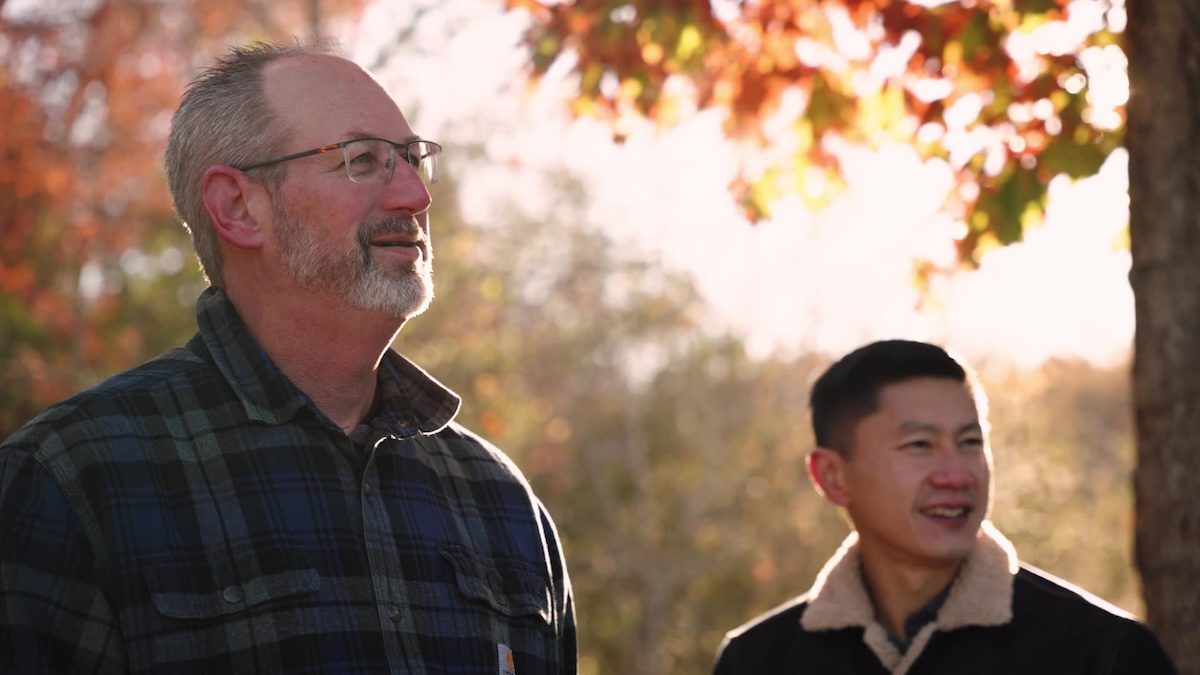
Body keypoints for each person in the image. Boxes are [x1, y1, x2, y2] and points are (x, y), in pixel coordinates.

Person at [0, 40, 575, 674]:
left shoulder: (502, 501)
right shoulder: (69, 481)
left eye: (413, 159)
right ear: (239, 207)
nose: (416, 195)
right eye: (363, 161)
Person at [713, 340, 1177, 675]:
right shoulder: (758, 660)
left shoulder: (1103, 654)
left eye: (970, 442)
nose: (956, 475)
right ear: (832, 476)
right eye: (920, 445)